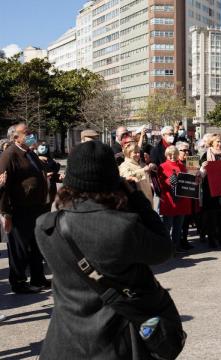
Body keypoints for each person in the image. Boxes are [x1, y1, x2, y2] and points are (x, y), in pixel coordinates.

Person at [34, 141, 176, 359]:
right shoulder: (123, 227)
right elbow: (163, 249)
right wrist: (135, 197)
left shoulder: (45, 226)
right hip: (115, 342)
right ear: (112, 180)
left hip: (64, 342)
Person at [0, 123, 49, 294]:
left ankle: (38, 278)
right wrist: (5, 213)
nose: (31, 135)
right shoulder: (9, 155)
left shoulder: (29, 153)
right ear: (15, 137)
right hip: (20, 210)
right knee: (19, 249)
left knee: (37, 246)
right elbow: (3, 187)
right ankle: (19, 282)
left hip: (37, 208)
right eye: (26, 133)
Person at [199, 134, 221, 251]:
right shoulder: (205, 155)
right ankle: (211, 239)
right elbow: (201, 175)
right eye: (217, 142)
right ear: (212, 143)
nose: (220, 144)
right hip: (210, 189)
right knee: (211, 216)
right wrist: (203, 168)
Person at [159, 146, 191, 254]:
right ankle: (165, 249)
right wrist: (169, 181)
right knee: (167, 226)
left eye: (175, 154)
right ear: (166, 155)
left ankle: (175, 247)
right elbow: (159, 184)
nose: (172, 156)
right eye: (170, 155)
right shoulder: (162, 166)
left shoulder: (182, 166)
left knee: (178, 227)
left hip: (181, 200)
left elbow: (186, 180)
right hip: (169, 200)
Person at [176, 141, 197, 251]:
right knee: (180, 221)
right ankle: (178, 241)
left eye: (187, 150)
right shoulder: (176, 162)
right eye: (183, 150)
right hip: (179, 197)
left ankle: (185, 239)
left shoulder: (192, 161)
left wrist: (199, 172)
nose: (186, 152)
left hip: (190, 195)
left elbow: (196, 177)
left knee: (187, 219)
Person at [36, 141, 62, 208]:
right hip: (46, 186)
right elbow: (56, 169)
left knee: (47, 205)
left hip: (47, 186)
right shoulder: (51, 161)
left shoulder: (36, 160)